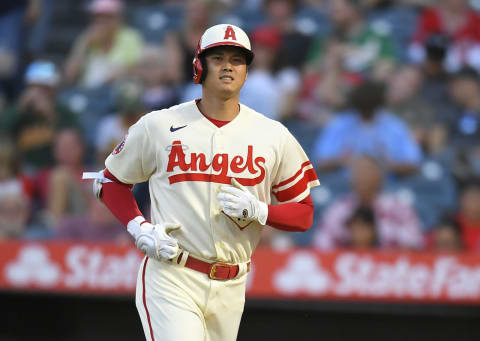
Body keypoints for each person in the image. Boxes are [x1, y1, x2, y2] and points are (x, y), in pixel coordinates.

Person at [83, 24, 319, 341]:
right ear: (199, 65)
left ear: (247, 70)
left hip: (233, 284)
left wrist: (260, 211)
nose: (227, 66)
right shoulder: (160, 124)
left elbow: (303, 214)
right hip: (173, 273)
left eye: (237, 59)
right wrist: (139, 227)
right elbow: (110, 181)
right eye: (218, 57)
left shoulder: (273, 134)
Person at [313, 155, 424, 250]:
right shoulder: (339, 210)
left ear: (380, 177)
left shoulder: (399, 208)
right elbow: (321, 244)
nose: (362, 177)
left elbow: (415, 242)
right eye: (358, 173)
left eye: (367, 172)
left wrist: (378, 235)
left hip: (390, 269)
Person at [63, 0, 143, 88]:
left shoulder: (130, 37)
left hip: (117, 93)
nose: (101, 21)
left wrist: (120, 73)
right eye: (97, 16)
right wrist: (84, 45)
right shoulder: (86, 37)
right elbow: (69, 76)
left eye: (107, 16)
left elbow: (139, 70)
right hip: (88, 93)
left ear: (119, 18)